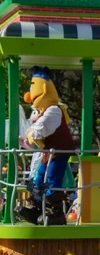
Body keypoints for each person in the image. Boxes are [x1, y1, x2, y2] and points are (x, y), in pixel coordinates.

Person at [17, 66, 76, 226]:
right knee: (39, 178)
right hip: (48, 153)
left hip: (58, 152)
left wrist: (30, 135)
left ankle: (55, 212)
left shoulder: (54, 111)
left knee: (52, 180)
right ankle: (36, 207)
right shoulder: (45, 111)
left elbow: (40, 130)